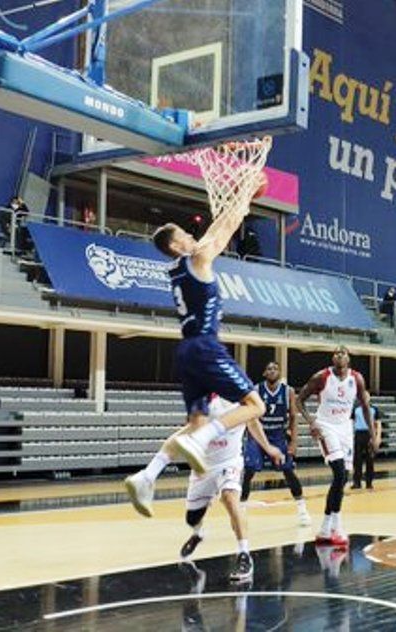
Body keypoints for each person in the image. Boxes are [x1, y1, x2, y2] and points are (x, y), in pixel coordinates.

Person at [123, 180, 273, 516]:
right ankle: (201, 440)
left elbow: (216, 229)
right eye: (187, 236)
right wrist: (244, 193)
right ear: (177, 244)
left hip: (185, 351)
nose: (194, 238)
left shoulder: (176, 270)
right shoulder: (198, 258)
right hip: (206, 347)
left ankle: (147, 476)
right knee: (255, 405)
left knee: (195, 422)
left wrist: (238, 201)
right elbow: (224, 230)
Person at [179, 395, 278, 582]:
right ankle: (198, 534)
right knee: (192, 517)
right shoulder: (200, 399)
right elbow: (189, 426)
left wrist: (267, 447)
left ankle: (244, 554)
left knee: (230, 499)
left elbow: (253, 423)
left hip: (229, 461)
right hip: (204, 466)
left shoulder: (241, 401)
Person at [293, 345, 371, 548]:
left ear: (349, 358)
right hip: (326, 426)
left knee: (343, 478)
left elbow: (365, 406)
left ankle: (326, 527)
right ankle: (337, 524)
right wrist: (311, 422)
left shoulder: (357, 379)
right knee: (338, 473)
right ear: (332, 358)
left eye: (343, 352)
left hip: (346, 429)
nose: (339, 355)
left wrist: (372, 434)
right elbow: (299, 399)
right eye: (336, 353)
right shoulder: (322, 376)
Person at [240, 361, 312, 527]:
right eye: (269, 368)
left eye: (275, 368)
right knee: (249, 470)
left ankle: (302, 509)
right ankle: (241, 507)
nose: (272, 371)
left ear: (279, 372)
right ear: (265, 373)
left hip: (278, 436)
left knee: (288, 471)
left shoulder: (288, 391)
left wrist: (294, 442)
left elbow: (293, 417)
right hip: (258, 435)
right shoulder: (256, 390)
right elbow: (249, 414)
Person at [351, 399, 382, 490]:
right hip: (358, 434)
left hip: (369, 434)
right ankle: (357, 482)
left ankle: (369, 482)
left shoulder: (374, 409)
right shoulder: (355, 409)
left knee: (370, 459)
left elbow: (378, 424)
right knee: (357, 459)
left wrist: (377, 437)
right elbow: (352, 422)